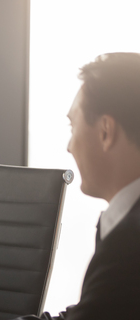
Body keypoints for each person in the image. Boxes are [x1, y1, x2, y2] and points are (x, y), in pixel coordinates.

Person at [15, 52, 140, 320]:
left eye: (73, 127)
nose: (69, 146)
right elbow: (96, 310)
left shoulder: (129, 242)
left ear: (106, 131)